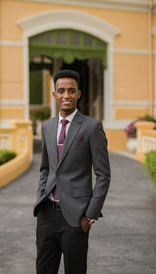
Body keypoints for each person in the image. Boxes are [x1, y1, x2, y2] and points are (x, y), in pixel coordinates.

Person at [33, 69, 111, 274]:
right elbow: (45, 168)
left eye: (71, 90)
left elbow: (103, 175)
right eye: (61, 91)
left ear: (79, 93)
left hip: (76, 217)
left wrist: (90, 215)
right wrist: (41, 197)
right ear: (54, 95)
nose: (66, 95)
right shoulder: (47, 127)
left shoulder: (92, 127)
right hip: (47, 215)